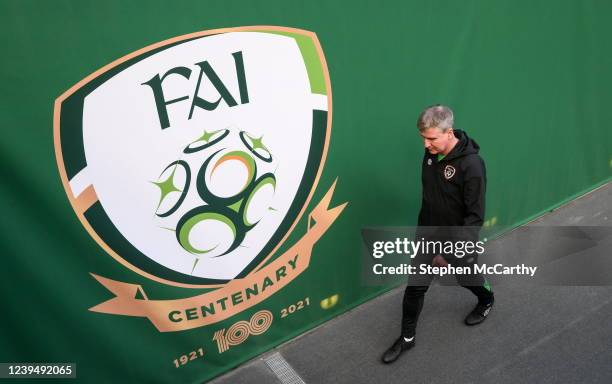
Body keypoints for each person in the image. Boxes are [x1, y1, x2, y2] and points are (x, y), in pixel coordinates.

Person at [382, 105, 495, 364]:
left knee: (467, 279)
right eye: (423, 138)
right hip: (428, 235)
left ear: (449, 132)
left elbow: (475, 217)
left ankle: (487, 299)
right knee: (414, 289)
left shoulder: (472, 165)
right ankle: (407, 339)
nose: (426, 144)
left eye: (431, 138)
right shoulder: (431, 154)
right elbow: (432, 200)